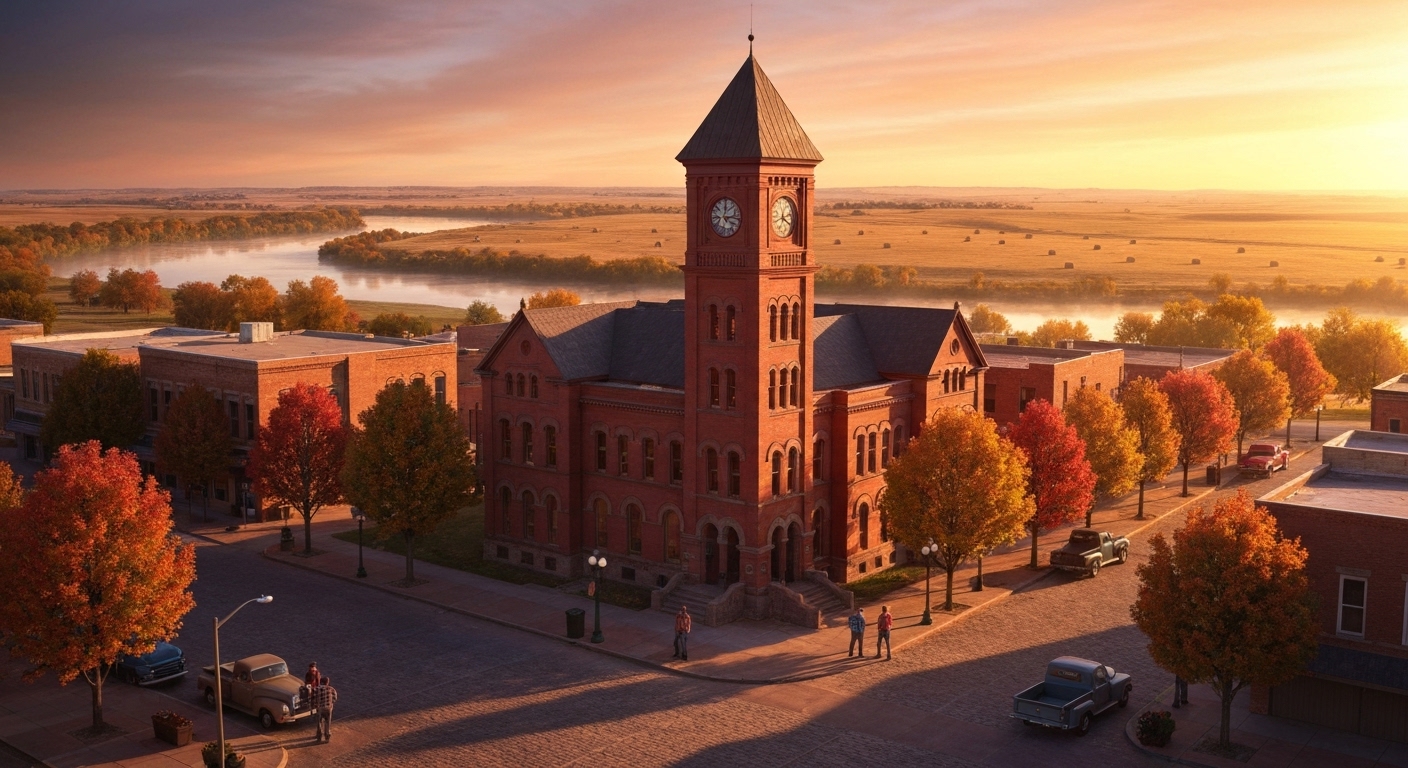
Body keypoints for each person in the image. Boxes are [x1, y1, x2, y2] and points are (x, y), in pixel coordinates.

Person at [313, 675, 338, 743]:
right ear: (327, 682)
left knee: (319, 722)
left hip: (320, 708)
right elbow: (335, 698)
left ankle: (319, 736)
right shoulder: (331, 689)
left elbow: (314, 699)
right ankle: (327, 736)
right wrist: (330, 703)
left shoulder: (316, 689)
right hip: (328, 708)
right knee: (327, 722)